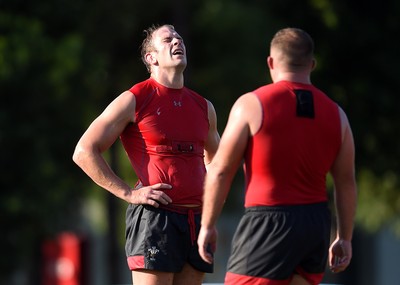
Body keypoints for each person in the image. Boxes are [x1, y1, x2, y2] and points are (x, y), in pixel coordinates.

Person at [197, 27, 357, 285]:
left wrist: (208, 225)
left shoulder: (251, 104)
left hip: (268, 221)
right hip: (315, 224)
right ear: (312, 64)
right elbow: (346, 182)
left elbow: (220, 170)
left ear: (271, 62)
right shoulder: (338, 116)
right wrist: (345, 238)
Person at [73, 24, 220, 285]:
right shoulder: (135, 98)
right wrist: (129, 193)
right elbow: (84, 151)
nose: (177, 42)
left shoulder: (203, 106)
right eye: (167, 40)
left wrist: (209, 212)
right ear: (151, 58)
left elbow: (216, 161)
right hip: (155, 219)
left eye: (179, 38)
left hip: (196, 221)